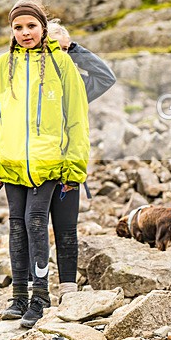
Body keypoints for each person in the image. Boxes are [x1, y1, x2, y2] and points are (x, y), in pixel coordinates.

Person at [0, 0, 90, 328]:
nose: (25, 32)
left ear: (43, 27)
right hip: (12, 162)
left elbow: (77, 118)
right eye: (18, 27)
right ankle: (18, 296)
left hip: (49, 161)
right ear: (12, 30)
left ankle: (41, 296)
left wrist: (74, 166)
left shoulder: (62, 64)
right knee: (16, 225)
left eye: (31, 26)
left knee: (35, 220)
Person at [44, 19, 116, 301]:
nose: (62, 55)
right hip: (35, 167)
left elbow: (106, 77)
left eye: (66, 50)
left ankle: (68, 291)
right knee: (31, 230)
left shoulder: (78, 85)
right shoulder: (28, 84)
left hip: (68, 169)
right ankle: (32, 292)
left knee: (66, 231)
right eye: (56, 49)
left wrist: (74, 48)